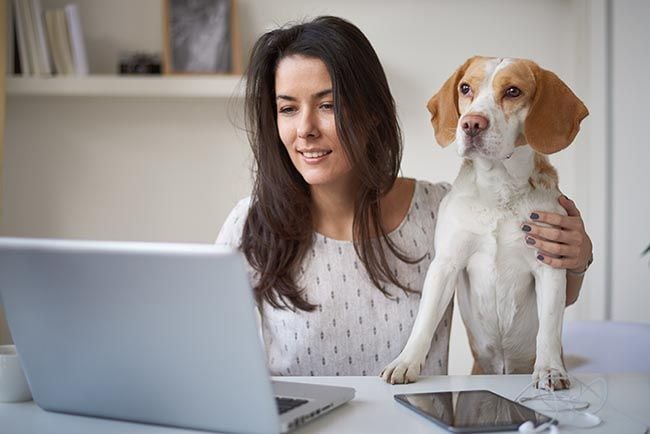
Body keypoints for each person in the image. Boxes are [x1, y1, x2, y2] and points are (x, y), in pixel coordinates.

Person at [216, 16, 593, 377]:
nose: (305, 129)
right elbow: (204, 343)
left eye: (328, 105)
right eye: (287, 108)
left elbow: (535, 290)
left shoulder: (440, 210)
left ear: (373, 113)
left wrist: (576, 258)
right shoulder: (250, 225)